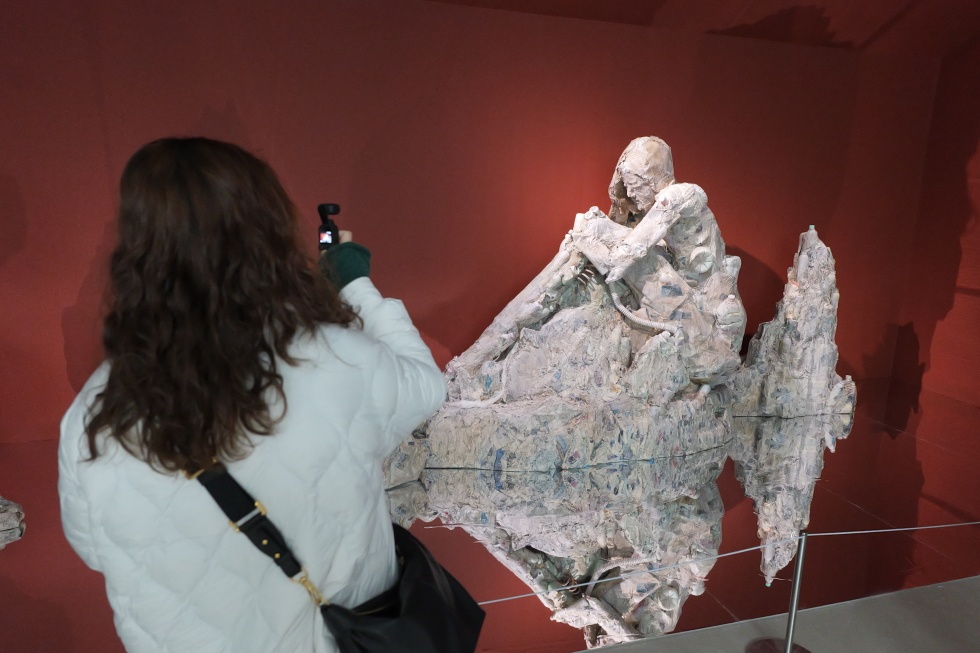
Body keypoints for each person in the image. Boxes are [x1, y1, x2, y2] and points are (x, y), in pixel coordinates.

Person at [58, 137, 446, 652]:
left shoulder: (94, 415)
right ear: (266, 232)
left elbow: (92, 548)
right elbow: (425, 387)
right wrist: (353, 284)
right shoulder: (335, 360)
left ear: (136, 252)